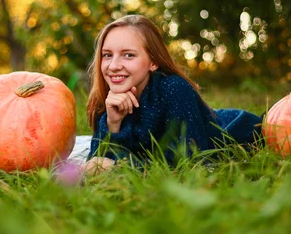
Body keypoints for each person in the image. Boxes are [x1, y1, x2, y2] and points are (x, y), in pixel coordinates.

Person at [82, 14, 262, 175]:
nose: (113, 65)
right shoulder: (108, 97)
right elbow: (96, 162)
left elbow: (188, 162)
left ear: (153, 62)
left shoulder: (174, 88)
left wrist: (121, 167)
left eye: (128, 55)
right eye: (107, 55)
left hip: (236, 130)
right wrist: (113, 123)